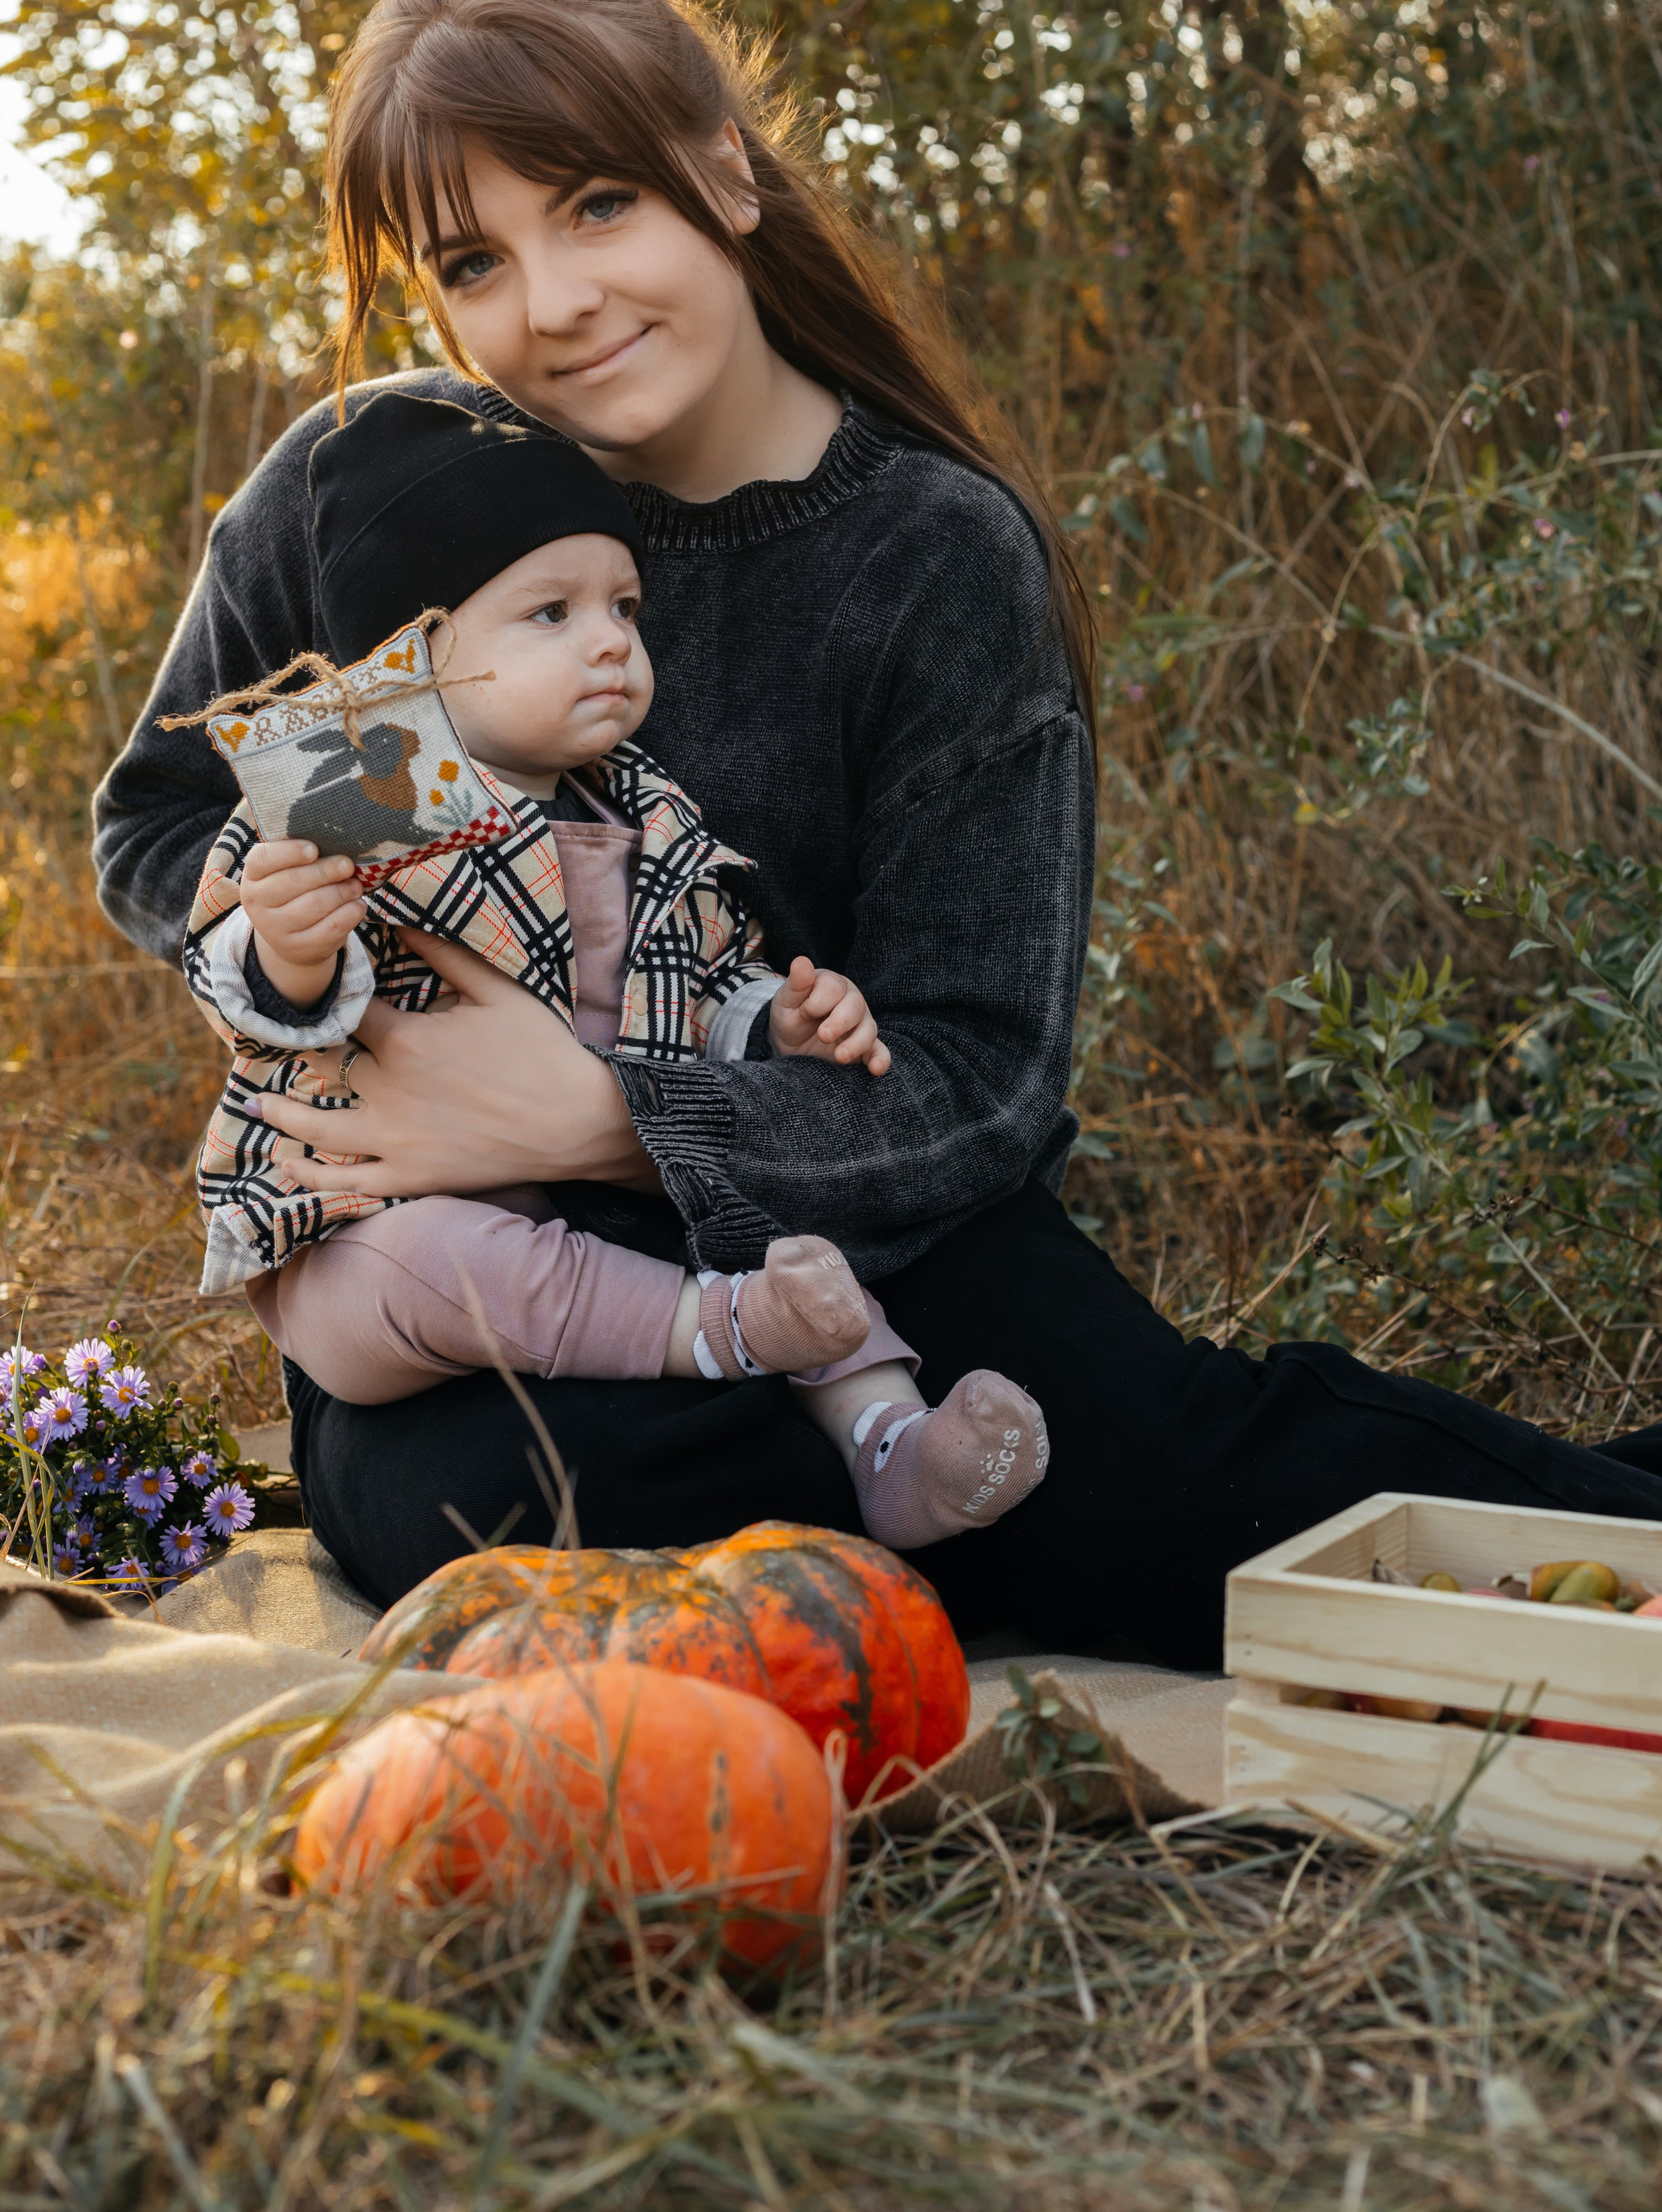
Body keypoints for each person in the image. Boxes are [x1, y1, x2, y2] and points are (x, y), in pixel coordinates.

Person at [94, 0, 1662, 1664]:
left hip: (876, 1238)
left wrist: (610, 1114)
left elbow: (976, 1079)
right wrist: (314, 944)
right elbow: (165, 816)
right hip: (483, 1264)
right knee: (585, 1508)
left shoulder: (928, 555)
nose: (549, 304)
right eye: (474, 261)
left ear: (722, 170)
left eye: (600, 204)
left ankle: (1634, 1532)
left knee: (1162, 1505)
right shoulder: (377, 488)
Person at [179, 389, 1047, 1552]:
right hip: (375, 1223)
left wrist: (771, 1026)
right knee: (447, 1264)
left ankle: (889, 1440)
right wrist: (288, 949)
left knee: (767, 1216)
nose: (610, 642)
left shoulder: (643, 807)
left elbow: (700, 977)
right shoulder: (349, 797)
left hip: (597, 1190)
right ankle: (714, 1331)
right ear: (408, 660)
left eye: (624, 608)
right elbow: (235, 988)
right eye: (551, 613)